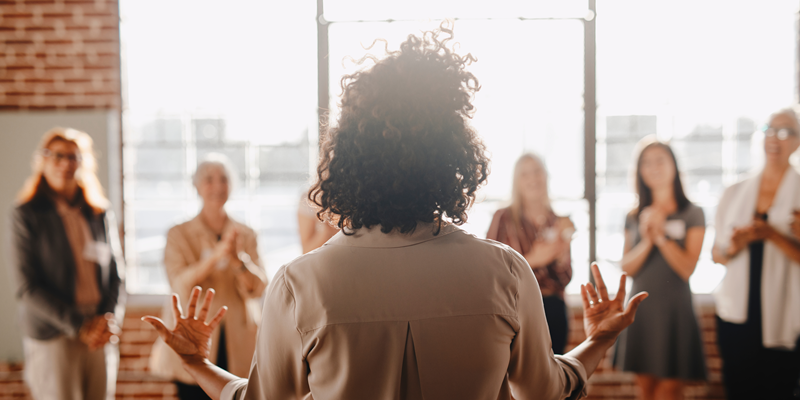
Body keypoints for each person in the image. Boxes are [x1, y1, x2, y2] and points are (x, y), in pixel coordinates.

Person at [143, 25, 648, 400]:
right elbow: (546, 390)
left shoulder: (301, 284)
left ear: (344, 161)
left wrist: (196, 362)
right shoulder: (506, 271)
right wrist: (598, 341)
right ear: (455, 160)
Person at [10, 127, 125, 400]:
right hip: (54, 333)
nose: (66, 164)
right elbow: (27, 287)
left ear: (84, 163)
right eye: (58, 156)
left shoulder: (99, 212)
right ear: (43, 160)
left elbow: (117, 275)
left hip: (99, 332)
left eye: (74, 157)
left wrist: (107, 321)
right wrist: (80, 326)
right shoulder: (26, 214)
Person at [148, 155, 268, 400]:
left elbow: (258, 288)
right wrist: (215, 256)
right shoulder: (178, 233)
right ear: (197, 186)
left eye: (224, 179)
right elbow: (179, 283)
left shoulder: (247, 233)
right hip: (193, 334)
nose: (217, 186)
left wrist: (239, 261)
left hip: (239, 337)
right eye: (209, 180)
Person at [711, 108, 800, 400]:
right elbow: (718, 254)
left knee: (780, 389)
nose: (776, 138)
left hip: (785, 314)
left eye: (786, 131)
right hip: (737, 315)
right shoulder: (734, 192)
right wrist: (736, 245)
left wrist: (773, 235)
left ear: (797, 142)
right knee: (739, 389)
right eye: (770, 130)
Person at [614, 139, 707, 400]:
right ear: (639, 171)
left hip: (675, 309)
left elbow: (687, 268)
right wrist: (647, 239)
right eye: (646, 162)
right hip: (641, 310)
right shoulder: (634, 216)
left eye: (660, 160)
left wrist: (661, 236)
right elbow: (627, 267)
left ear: (674, 167)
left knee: (670, 391)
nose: (653, 167)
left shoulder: (693, 213)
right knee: (646, 389)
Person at [487, 153, 574, 354]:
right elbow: (490, 270)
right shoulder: (503, 218)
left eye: (537, 172)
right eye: (525, 174)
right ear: (517, 181)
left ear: (546, 176)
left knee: (554, 378)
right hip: (515, 308)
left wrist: (561, 255)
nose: (533, 178)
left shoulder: (559, 222)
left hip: (552, 309)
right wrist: (533, 260)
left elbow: (565, 278)